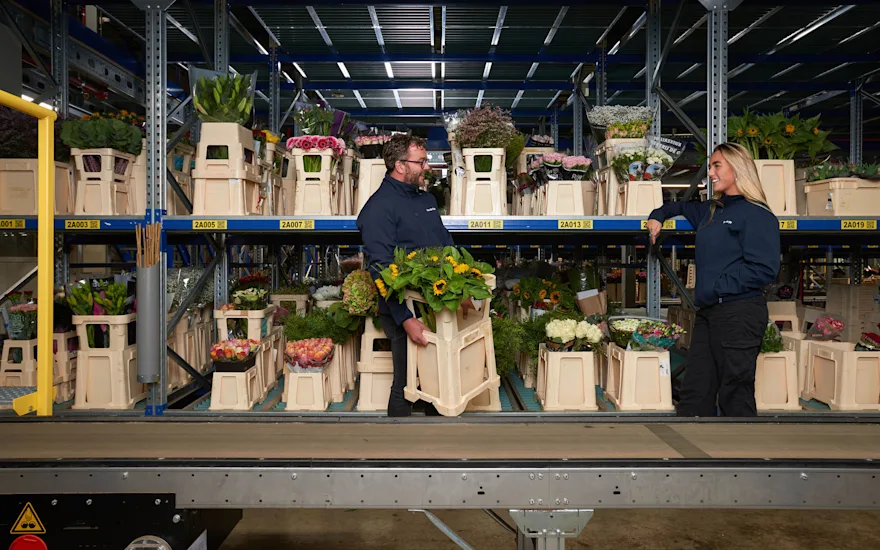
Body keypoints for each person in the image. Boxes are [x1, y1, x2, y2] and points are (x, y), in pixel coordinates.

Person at [646, 142, 780, 417]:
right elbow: (678, 206)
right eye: (710, 166)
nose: (711, 172)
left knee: (735, 392)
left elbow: (764, 268)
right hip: (709, 313)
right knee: (696, 390)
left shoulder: (757, 214)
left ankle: (740, 457)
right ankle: (695, 457)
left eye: (717, 165)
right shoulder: (711, 210)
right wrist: (656, 216)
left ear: (738, 167)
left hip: (739, 312)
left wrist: (720, 286)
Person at [357, 134, 463, 416]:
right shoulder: (378, 209)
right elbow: (379, 268)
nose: (426, 167)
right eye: (421, 161)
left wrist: (463, 288)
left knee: (434, 393)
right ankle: (395, 452)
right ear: (400, 165)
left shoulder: (425, 199)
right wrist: (406, 320)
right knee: (404, 389)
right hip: (404, 310)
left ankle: (432, 456)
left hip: (436, 303)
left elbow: (445, 243)